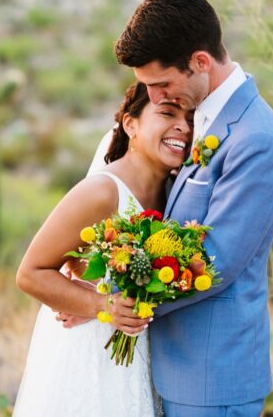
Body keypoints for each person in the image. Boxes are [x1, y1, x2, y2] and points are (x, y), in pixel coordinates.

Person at [69, 0, 273, 416]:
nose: (156, 98)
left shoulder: (258, 140)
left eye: (161, 84)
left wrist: (109, 301)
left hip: (211, 380)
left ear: (200, 63)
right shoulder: (204, 120)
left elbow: (213, 261)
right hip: (173, 370)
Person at [14, 81, 195, 416]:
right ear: (130, 124)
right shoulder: (102, 192)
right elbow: (30, 273)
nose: (183, 126)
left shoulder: (177, 193)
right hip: (93, 359)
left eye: (191, 117)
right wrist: (101, 304)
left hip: (146, 361)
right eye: (168, 113)